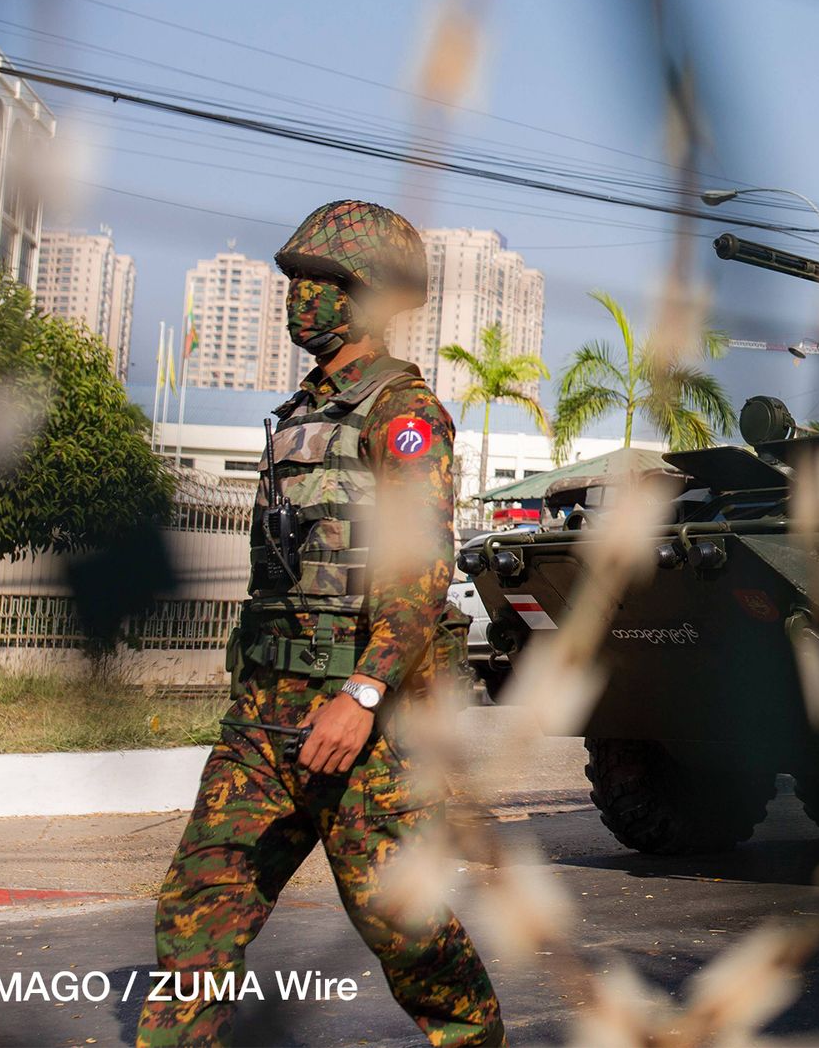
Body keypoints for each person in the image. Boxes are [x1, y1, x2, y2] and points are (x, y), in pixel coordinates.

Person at [138, 201, 503, 1047]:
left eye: (322, 280)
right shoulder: (300, 414)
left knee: (407, 934)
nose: (298, 295)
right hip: (262, 725)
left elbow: (419, 574)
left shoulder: (402, 416)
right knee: (197, 912)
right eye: (296, 278)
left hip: (362, 727)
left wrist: (364, 693)